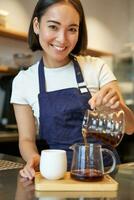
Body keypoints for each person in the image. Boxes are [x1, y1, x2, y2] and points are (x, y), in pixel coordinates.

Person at [10, 0, 134, 180]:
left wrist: (117, 107)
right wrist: (34, 158)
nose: (62, 38)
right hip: (57, 175)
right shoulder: (24, 81)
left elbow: (130, 128)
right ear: (37, 25)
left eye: (72, 29)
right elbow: (26, 140)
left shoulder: (96, 67)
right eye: (53, 27)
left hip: (105, 174)